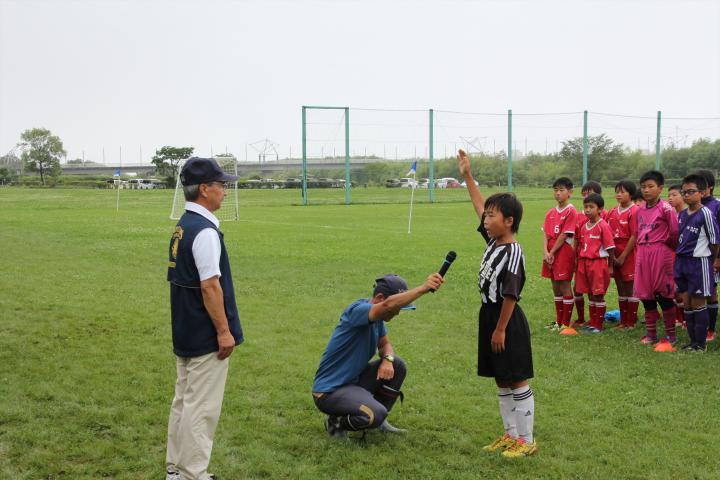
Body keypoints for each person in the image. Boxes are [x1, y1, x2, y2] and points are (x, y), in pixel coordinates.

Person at [165, 157, 244, 480]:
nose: (225, 191)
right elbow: (210, 286)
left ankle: (176, 468)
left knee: (184, 401)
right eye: (221, 185)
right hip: (204, 334)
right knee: (201, 407)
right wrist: (224, 332)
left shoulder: (183, 226)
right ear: (204, 189)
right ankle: (193, 472)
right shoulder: (205, 232)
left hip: (185, 329)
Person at [458, 150, 537, 458]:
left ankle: (527, 441)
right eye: (487, 215)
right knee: (501, 378)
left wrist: (501, 329)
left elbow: (511, 294)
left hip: (507, 319)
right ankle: (510, 435)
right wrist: (467, 175)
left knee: (516, 377)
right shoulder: (493, 241)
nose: (486, 219)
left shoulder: (513, 251)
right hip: (489, 316)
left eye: (492, 216)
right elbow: (479, 205)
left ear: (509, 221)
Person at [312, 273, 443, 439]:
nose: (397, 313)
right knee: (374, 414)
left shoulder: (377, 319)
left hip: (353, 382)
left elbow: (385, 345)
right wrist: (424, 288)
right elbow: (388, 305)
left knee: (397, 365)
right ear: (379, 298)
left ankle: (380, 421)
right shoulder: (358, 311)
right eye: (398, 307)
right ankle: (336, 422)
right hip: (329, 392)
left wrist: (387, 360)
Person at [675, 173, 720, 352]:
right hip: (681, 262)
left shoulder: (706, 213)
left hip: (699, 263)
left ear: (702, 193)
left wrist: (711, 259)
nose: (686, 195)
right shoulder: (683, 214)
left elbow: (715, 241)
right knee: (686, 302)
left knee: (698, 303)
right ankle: (692, 341)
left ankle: (700, 344)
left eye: (691, 191)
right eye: (683, 192)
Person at [634, 170, 679, 345]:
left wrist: (667, 247)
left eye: (650, 186)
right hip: (643, 252)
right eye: (643, 187)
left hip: (661, 252)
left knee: (664, 293)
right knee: (646, 293)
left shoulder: (667, 209)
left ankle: (671, 336)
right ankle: (651, 334)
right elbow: (638, 231)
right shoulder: (640, 209)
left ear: (660, 188)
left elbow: (675, 231)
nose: (646, 190)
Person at [575, 193, 616, 333]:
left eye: (591, 207)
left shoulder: (603, 226)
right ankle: (592, 323)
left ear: (600, 209)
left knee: (598, 294)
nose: (587, 210)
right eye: (585, 207)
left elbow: (611, 249)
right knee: (590, 293)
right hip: (584, 263)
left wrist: (610, 266)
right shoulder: (584, 226)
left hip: (598, 263)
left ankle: (598, 325)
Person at [542, 177, 577, 330]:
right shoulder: (550, 212)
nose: (558, 193)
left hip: (563, 252)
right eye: (555, 190)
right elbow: (546, 234)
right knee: (555, 285)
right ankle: (558, 321)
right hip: (550, 252)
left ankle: (565, 323)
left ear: (570, 192)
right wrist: (546, 252)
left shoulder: (571, 211)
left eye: (561, 190)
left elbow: (564, 235)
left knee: (564, 284)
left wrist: (552, 251)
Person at [571, 181, 606, 327]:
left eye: (589, 193)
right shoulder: (580, 216)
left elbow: (607, 239)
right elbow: (576, 238)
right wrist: (574, 257)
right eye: (584, 194)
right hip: (582, 259)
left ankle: (596, 321)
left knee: (596, 291)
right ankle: (582, 318)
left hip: (597, 260)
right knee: (578, 289)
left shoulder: (603, 217)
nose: (586, 196)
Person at [607, 181, 639, 329]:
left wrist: (623, 256)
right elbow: (607, 234)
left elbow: (634, 235)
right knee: (620, 285)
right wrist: (611, 256)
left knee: (630, 286)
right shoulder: (612, 211)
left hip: (629, 253)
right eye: (617, 191)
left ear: (631, 194)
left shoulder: (635, 211)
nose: (619, 194)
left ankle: (631, 321)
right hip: (614, 252)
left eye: (622, 191)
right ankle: (623, 321)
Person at [695, 170, 720, 342]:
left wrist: (718, 258)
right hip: (695, 257)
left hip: (712, 257)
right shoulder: (692, 205)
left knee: (711, 291)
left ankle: (711, 329)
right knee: (697, 292)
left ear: (709, 187)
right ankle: (697, 324)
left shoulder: (716, 205)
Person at [667, 184, 687, 327]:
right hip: (671, 256)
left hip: (684, 257)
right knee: (672, 289)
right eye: (669, 195)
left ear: (683, 196)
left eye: (674, 195)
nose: (670, 198)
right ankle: (678, 318)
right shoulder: (670, 215)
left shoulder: (687, 215)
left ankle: (686, 318)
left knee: (683, 289)